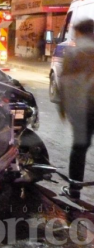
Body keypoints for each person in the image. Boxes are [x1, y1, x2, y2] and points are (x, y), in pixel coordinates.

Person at [60, 19, 94, 200]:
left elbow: (65, 82)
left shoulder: (73, 52)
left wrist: (63, 109)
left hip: (82, 109)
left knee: (79, 148)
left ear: (79, 32)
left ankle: (74, 191)